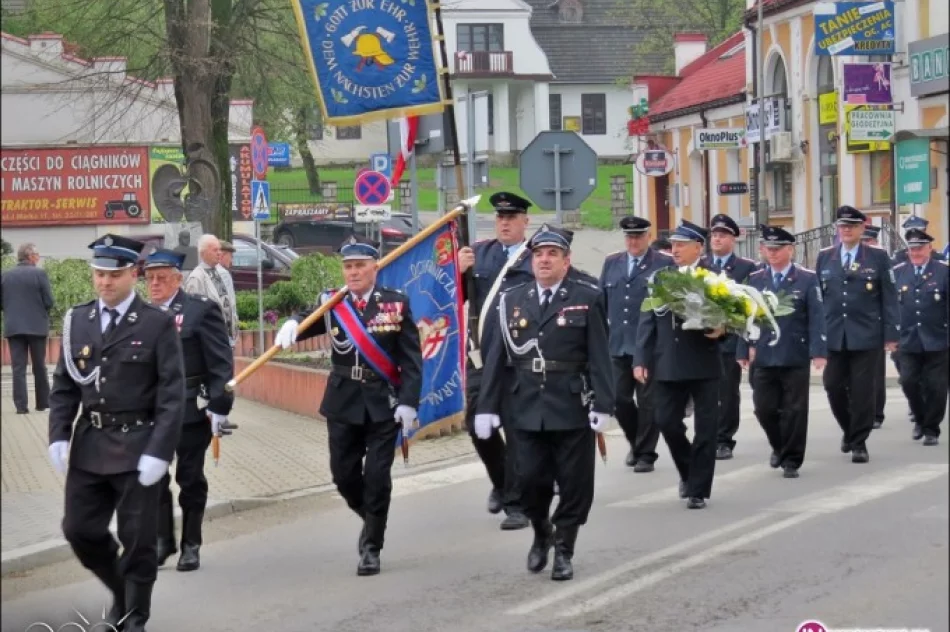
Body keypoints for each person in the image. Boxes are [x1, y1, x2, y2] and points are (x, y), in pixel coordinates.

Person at [47, 234, 184, 632]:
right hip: (90, 444)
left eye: (113, 274)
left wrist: (160, 451)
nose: (104, 282)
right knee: (79, 530)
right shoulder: (78, 320)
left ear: (133, 274)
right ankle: (122, 592)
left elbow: (172, 393)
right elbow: (65, 386)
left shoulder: (156, 323)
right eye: (99, 274)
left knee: (138, 539)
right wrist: (58, 434)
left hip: (138, 443)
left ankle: (133, 616)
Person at [274, 235, 422, 576]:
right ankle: (371, 519)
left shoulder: (395, 304)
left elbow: (411, 359)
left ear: (374, 268)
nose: (353, 272)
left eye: (359, 266)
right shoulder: (333, 302)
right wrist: (293, 323)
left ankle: (372, 546)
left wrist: (409, 403)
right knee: (343, 476)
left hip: (383, 402)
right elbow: (307, 320)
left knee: (377, 477)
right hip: (343, 400)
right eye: (348, 266)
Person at [474, 225, 613, 581]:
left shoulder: (587, 296)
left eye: (552, 254)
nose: (544, 260)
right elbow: (496, 356)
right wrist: (486, 406)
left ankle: (564, 548)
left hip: (571, 403)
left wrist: (603, 404)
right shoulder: (512, 299)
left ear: (566, 261)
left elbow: (600, 354)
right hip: (524, 404)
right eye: (538, 254)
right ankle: (541, 530)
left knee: (574, 483)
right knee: (530, 482)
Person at [144, 248, 236, 572]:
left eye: (161, 278)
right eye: (149, 278)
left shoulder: (199, 310)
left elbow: (221, 362)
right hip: (152, 409)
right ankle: (162, 540)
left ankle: (191, 544)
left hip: (189, 408)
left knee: (189, 477)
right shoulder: (141, 314)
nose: (154, 284)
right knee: (153, 476)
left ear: (177, 280)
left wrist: (219, 406)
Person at [456, 191, 534, 530]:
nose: (504, 223)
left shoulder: (537, 256)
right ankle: (502, 482)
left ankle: (517, 505)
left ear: (525, 222)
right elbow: (453, 298)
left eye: (511, 217)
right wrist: (459, 272)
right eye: (500, 217)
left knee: (516, 431)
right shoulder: (479, 253)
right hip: (482, 356)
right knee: (478, 426)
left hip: (519, 358)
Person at [634, 220, 724, 510]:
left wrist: (722, 329)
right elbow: (647, 320)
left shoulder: (715, 277)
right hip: (668, 361)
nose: (675, 250)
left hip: (703, 361)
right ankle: (688, 470)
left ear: (698, 247)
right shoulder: (661, 278)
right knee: (666, 421)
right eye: (673, 244)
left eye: (682, 245)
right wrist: (640, 358)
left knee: (706, 429)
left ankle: (698, 490)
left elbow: (735, 317)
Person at [737, 226, 827, 478]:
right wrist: (742, 349)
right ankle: (779, 446)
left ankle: (792, 460)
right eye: (769, 249)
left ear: (790, 250)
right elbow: (745, 316)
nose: (773, 253)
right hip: (763, 353)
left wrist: (819, 350)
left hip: (794, 352)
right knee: (763, 408)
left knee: (795, 409)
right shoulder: (756, 279)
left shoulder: (806, 278)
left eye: (778, 249)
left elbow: (816, 317)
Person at [815, 206, 899, 463]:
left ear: (862, 228)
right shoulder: (825, 256)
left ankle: (859, 442)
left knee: (863, 391)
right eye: (842, 226)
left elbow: (889, 298)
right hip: (834, 334)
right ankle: (849, 429)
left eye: (851, 226)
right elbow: (818, 299)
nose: (846, 230)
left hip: (866, 334)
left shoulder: (877, 257)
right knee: (832, 385)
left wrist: (891, 334)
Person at [599, 216, 674, 472]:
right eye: (629, 237)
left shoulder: (664, 264)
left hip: (650, 346)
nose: (633, 241)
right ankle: (636, 442)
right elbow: (601, 302)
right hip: (617, 343)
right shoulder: (612, 262)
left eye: (638, 236)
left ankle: (646, 454)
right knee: (618, 399)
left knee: (648, 402)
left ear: (648, 237)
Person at [703, 214, 757, 460]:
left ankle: (724, 439)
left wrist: (746, 344)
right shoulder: (701, 265)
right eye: (714, 235)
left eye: (722, 235)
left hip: (730, 340)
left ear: (733, 239)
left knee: (727, 393)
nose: (716, 239)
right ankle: (707, 436)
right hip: (702, 340)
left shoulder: (746, 268)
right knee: (705, 393)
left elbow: (750, 309)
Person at [892, 229, 949, 446]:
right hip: (908, 339)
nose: (915, 253)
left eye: (920, 249)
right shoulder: (898, 272)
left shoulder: (943, 272)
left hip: (938, 338)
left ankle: (931, 429)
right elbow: (890, 307)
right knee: (908, 381)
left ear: (930, 249)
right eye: (912, 249)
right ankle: (920, 417)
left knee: (936, 386)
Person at [1, 242, 54, 414]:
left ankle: (21, 407)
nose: (38, 258)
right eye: (37, 255)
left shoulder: (5, 275)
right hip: (36, 326)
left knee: (18, 368)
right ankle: (43, 403)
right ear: (30, 256)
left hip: (14, 327)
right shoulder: (39, 274)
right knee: (39, 366)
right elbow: (49, 301)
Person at [184, 234, 238, 347]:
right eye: (215, 250)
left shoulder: (221, 273)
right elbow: (193, 313)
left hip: (225, 336)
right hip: (210, 339)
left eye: (219, 250)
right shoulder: (196, 277)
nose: (219, 253)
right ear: (203, 253)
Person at [861, 224, 888, 430]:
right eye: (863, 241)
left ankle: (876, 413)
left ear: (875, 242)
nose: (865, 244)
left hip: (873, 327)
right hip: (850, 328)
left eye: (868, 241)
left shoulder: (881, 260)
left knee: (876, 374)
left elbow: (888, 298)